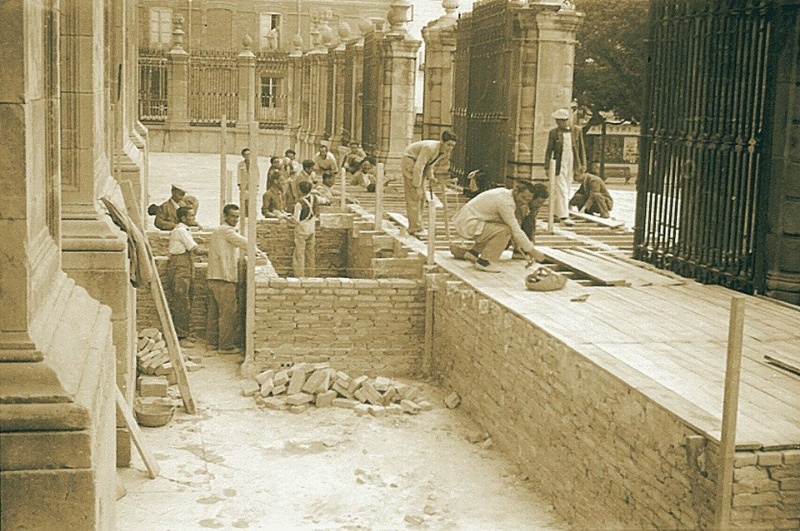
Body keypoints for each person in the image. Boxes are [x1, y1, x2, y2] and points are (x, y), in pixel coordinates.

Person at [206, 204, 266, 353]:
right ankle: (225, 346)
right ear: (225, 216)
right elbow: (245, 243)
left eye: (237, 217)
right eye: (232, 216)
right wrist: (259, 252)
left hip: (214, 277)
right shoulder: (226, 230)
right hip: (224, 278)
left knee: (214, 313)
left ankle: (212, 343)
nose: (235, 219)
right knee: (228, 313)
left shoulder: (219, 231)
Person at [452, 181, 545, 273]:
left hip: (470, 220)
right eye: (523, 197)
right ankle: (485, 262)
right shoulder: (506, 203)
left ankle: (473, 253)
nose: (524, 202)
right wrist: (532, 251)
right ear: (516, 191)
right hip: (468, 223)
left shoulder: (504, 193)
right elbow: (515, 229)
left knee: (503, 226)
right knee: (506, 230)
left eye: (528, 200)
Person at [401, 130, 458, 236]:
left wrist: (431, 177)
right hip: (410, 161)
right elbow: (419, 166)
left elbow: (429, 165)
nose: (450, 148)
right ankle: (414, 228)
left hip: (418, 163)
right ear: (442, 141)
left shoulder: (443, 151)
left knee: (422, 196)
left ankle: (418, 225)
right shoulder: (430, 148)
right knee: (414, 196)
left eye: (453, 146)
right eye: (448, 145)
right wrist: (417, 185)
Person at [544, 108, 587, 227]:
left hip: (572, 162)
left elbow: (581, 148)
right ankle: (564, 215)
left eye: (560, 120)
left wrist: (583, 164)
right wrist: (547, 166)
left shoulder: (577, 131)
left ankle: (557, 212)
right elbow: (549, 150)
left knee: (566, 188)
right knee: (562, 189)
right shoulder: (554, 133)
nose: (558, 123)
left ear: (565, 120)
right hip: (559, 164)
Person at [166, 207, 198, 345]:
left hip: (185, 264)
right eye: (191, 215)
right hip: (180, 265)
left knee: (187, 299)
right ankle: (180, 336)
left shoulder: (185, 230)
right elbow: (194, 249)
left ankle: (184, 332)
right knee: (181, 300)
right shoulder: (180, 231)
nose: (194, 218)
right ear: (183, 218)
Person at [291, 180, 329, 278]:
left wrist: (286, 218)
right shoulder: (314, 198)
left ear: (300, 190)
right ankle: (311, 274)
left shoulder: (299, 204)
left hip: (302, 230)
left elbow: (295, 219)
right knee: (310, 253)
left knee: (299, 254)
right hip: (311, 228)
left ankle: (300, 275)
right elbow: (325, 201)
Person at [237, 147, 261, 221]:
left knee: (252, 201)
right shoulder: (240, 164)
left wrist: (257, 184)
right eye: (246, 154)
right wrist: (239, 184)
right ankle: (244, 215)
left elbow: (257, 174)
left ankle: (252, 215)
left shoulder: (254, 164)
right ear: (243, 156)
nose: (248, 156)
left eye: (249, 154)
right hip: (244, 185)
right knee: (244, 200)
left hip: (252, 185)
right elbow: (238, 173)